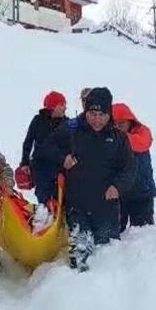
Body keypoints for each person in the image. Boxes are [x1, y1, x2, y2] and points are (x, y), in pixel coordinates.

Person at [38, 87, 135, 272]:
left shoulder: (119, 137)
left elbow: (129, 170)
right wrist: (62, 158)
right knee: (79, 261)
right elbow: (46, 148)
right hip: (77, 206)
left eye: (102, 114)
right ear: (86, 110)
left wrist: (118, 186)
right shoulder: (71, 129)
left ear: (109, 114)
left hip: (106, 208)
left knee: (106, 259)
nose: (97, 119)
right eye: (92, 113)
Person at [111, 103, 156, 232]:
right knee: (116, 235)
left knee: (143, 233)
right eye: (115, 124)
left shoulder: (142, 132)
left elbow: (142, 144)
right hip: (118, 194)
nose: (118, 127)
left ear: (130, 122)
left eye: (122, 123)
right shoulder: (110, 139)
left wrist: (116, 138)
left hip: (141, 193)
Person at [19, 91, 67, 204]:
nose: (65, 108)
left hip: (59, 165)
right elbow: (28, 141)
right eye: (62, 105)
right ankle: (45, 210)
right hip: (41, 166)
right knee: (43, 193)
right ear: (53, 106)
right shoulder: (38, 121)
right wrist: (25, 162)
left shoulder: (66, 123)